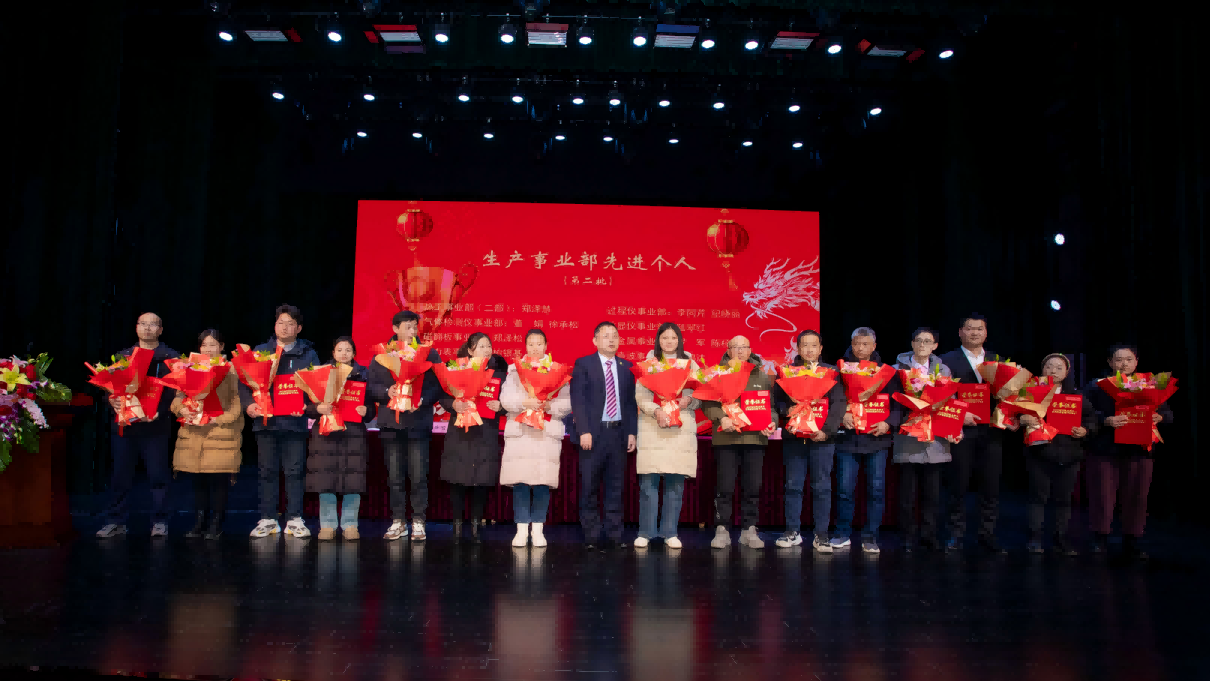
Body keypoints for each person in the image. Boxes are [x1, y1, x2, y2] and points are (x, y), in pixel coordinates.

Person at [1083, 344, 1173, 560]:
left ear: (1136, 362)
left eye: (1128, 359)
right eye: (1119, 359)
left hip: (1139, 450)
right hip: (1105, 449)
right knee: (1102, 496)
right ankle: (1100, 539)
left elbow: (1168, 414)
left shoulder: (1149, 385)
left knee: (1137, 497)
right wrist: (1106, 420)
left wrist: (1159, 417)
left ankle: (1132, 540)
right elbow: (1083, 413)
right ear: (1110, 362)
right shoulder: (1097, 386)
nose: (1124, 364)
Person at [96, 312, 180, 538]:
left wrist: (160, 411)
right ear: (136, 327)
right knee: (119, 476)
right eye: (143, 324)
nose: (147, 328)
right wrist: (111, 400)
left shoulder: (170, 357)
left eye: (153, 324)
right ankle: (116, 521)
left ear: (160, 330)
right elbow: (110, 388)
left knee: (158, 476)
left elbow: (177, 390)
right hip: (126, 425)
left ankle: (160, 521)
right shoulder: (123, 357)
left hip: (156, 426)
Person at [242, 304, 321, 539]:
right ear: (274, 325)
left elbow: (317, 384)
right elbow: (243, 383)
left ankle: (294, 518)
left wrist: (306, 406)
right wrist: (248, 405)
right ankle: (268, 518)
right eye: (280, 323)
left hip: (295, 424)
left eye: (290, 324)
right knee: (267, 471)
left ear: (299, 328)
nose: (285, 327)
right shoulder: (261, 352)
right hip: (266, 422)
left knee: (295, 471)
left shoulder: (308, 354)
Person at [367, 310, 444, 542]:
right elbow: (371, 386)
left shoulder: (428, 353)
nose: (412, 331)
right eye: (407, 327)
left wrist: (422, 399)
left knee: (419, 475)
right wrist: (386, 391)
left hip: (418, 422)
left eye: (414, 327)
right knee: (395, 476)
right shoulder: (383, 354)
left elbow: (440, 384)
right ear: (395, 328)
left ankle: (418, 520)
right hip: (391, 423)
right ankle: (398, 520)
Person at [938, 314, 1007, 553]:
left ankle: (987, 535)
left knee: (991, 486)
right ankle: (955, 535)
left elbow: (1009, 396)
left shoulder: (998, 361)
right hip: (961, 432)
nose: (974, 333)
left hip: (991, 432)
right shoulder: (946, 361)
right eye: (969, 328)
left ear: (986, 333)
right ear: (960, 332)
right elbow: (938, 397)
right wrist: (959, 415)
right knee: (957, 484)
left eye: (979, 329)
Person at [773, 330, 847, 553]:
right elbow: (777, 401)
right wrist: (788, 410)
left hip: (822, 439)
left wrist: (826, 431)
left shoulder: (831, 373)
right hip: (795, 438)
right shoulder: (787, 372)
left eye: (813, 345)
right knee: (793, 486)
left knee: (822, 487)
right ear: (798, 348)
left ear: (820, 348)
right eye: (804, 345)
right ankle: (792, 531)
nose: (809, 349)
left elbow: (838, 403)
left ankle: (821, 535)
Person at [701, 335, 777, 550]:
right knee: (724, 486)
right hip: (726, 437)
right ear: (728, 350)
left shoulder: (760, 374)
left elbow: (770, 408)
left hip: (755, 439)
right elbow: (707, 403)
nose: (740, 351)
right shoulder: (717, 373)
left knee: (752, 486)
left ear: (750, 350)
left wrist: (772, 422)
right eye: (736, 347)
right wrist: (721, 417)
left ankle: (749, 529)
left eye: (744, 347)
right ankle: (722, 528)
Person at [500, 329, 572, 547]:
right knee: (521, 482)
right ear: (525, 346)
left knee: (542, 482)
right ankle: (522, 529)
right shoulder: (514, 370)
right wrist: (525, 403)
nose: (534, 348)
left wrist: (550, 405)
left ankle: (538, 529)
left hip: (545, 432)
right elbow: (505, 399)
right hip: (521, 431)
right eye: (530, 344)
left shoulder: (557, 371)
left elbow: (568, 403)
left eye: (539, 344)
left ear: (546, 346)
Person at [570, 321, 638, 550]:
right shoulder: (584, 364)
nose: (611, 340)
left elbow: (630, 404)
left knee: (616, 486)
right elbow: (578, 400)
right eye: (606, 335)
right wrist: (584, 431)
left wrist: (632, 432)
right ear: (595, 340)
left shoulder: (626, 367)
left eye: (615, 336)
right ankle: (591, 535)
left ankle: (614, 534)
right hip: (593, 434)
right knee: (589, 486)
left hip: (618, 434)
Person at [1019, 353, 1096, 555]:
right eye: (1049, 366)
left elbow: (1092, 419)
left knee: (1063, 499)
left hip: (1070, 454)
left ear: (1067, 372)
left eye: (1059, 368)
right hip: (1040, 453)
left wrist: (1086, 430)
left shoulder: (1076, 396)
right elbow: (1013, 413)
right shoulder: (1030, 392)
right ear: (1042, 369)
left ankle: (1060, 539)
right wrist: (1022, 418)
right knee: (1038, 497)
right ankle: (1034, 538)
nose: (1053, 370)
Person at [831, 327, 898, 554]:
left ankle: (870, 537)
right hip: (847, 439)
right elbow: (832, 399)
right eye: (857, 343)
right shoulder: (840, 370)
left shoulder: (886, 372)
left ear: (874, 346)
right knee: (844, 490)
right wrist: (842, 414)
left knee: (876, 490)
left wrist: (888, 423)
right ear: (851, 344)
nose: (860, 348)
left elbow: (898, 404)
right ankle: (842, 533)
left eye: (865, 344)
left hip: (877, 439)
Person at [634, 323, 700, 550]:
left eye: (673, 337)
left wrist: (690, 400)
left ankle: (670, 532)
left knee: (675, 483)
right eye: (664, 337)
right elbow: (640, 397)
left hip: (681, 429)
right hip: (653, 426)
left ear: (679, 340)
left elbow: (701, 394)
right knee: (648, 484)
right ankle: (646, 532)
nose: (669, 342)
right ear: (658, 340)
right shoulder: (649, 364)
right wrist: (656, 411)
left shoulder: (691, 363)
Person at [172, 329, 242, 540]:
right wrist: (182, 410)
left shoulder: (231, 369)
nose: (208, 349)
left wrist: (218, 419)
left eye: (213, 344)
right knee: (198, 480)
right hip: (195, 432)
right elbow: (177, 398)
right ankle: (199, 522)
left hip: (221, 432)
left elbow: (237, 403)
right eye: (204, 345)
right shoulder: (189, 367)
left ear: (221, 346)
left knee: (219, 480)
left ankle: (216, 524)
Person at [892, 328, 957, 552]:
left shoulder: (944, 370)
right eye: (918, 340)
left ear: (935, 346)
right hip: (908, 437)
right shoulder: (897, 370)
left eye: (927, 341)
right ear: (912, 343)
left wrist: (954, 428)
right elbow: (892, 402)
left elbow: (950, 401)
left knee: (932, 494)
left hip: (935, 439)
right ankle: (907, 537)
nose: (922, 344)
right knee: (907, 494)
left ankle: (929, 535)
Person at [439, 332, 507, 542]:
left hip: (486, 432)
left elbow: (510, 400)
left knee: (482, 481)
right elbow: (442, 395)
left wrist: (501, 406)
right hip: (461, 432)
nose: (487, 350)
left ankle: (477, 526)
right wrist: (453, 404)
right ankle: (457, 526)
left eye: (489, 346)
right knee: (458, 480)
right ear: (470, 350)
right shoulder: (456, 368)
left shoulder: (499, 373)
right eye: (481, 346)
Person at [305, 337, 371, 542]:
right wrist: (318, 408)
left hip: (353, 433)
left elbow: (370, 408)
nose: (344, 353)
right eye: (339, 350)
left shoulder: (364, 375)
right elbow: (307, 405)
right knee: (326, 479)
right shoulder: (321, 374)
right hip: (326, 433)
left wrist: (366, 411)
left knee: (353, 479)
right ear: (333, 353)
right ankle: (328, 525)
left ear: (354, 354)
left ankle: (350, 524)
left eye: (348, 350)